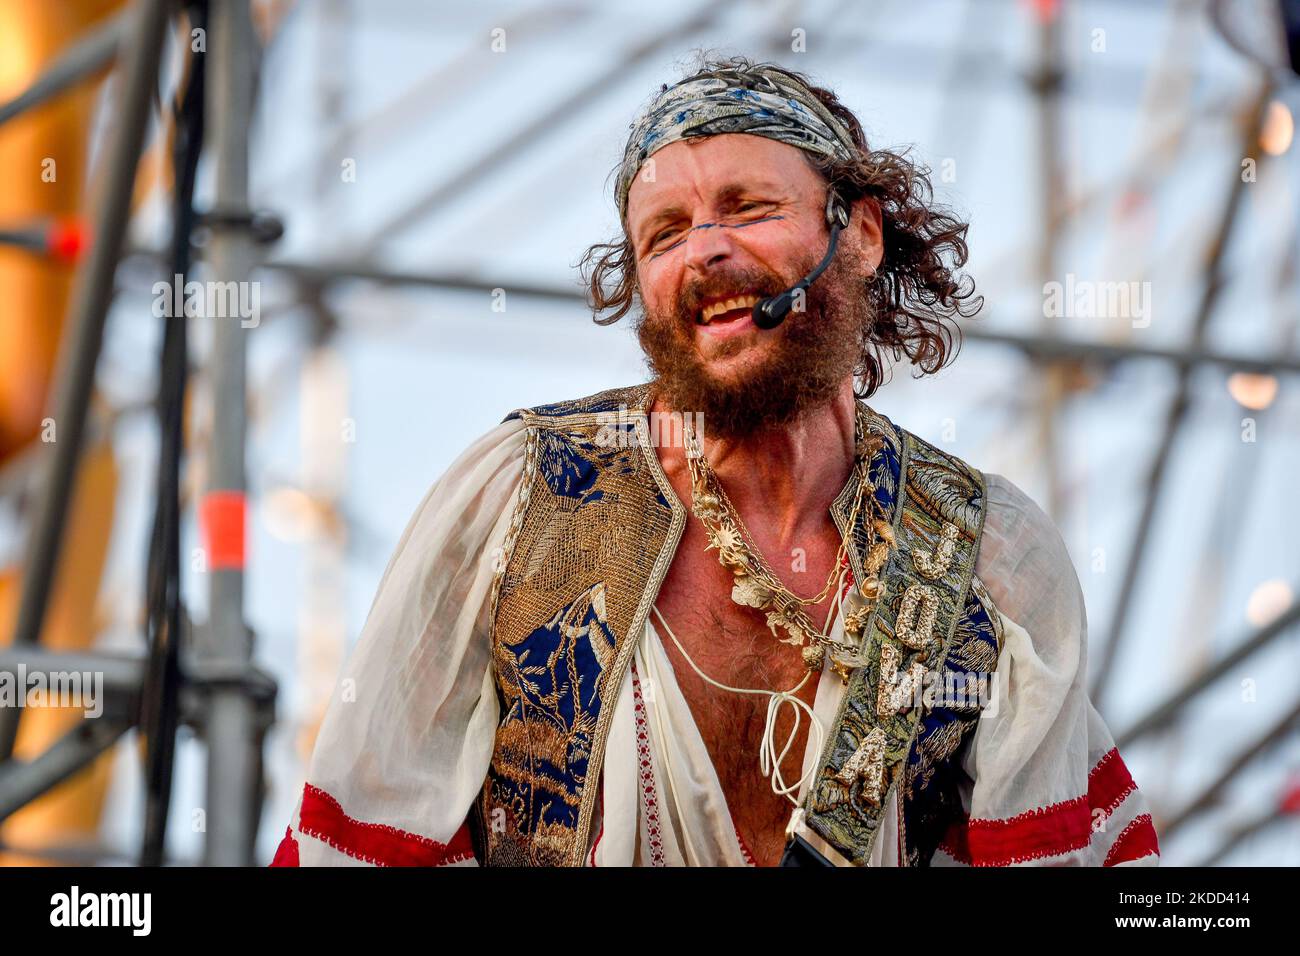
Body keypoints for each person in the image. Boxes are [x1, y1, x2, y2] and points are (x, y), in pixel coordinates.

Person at [270, 55, 1159, 868]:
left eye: (749, 207)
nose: (704, 249)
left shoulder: (989, 553)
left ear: (860, 235)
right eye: (663, 234)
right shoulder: (517, 500)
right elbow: (358, 847)